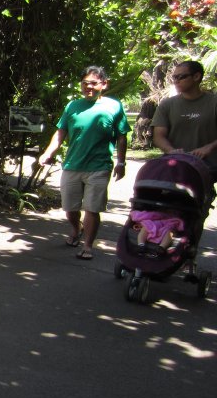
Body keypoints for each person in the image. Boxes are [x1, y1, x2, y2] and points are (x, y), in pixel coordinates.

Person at [38, 66, 130, 260]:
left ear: (104, 84)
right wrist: (48, 152)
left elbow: (122, 136)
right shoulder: (73, 106)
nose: (89, 87)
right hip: (72, 165)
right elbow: (61, 132)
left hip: (99, 167)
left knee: (92, 209)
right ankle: (76, 228)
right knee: (70, 209)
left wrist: (121, 163)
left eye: (94, 83)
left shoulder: (114, 106)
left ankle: (87, 246)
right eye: (85, 83)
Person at [151, 59, 217, 181]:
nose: (176, 81)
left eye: (180, 77)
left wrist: (209, 147)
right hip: (175, 166)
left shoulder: (214, 102)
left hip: (209, 168)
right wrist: (172, 151)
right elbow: (158, 136)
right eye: (174, 77)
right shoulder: (167, 104)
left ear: (196, 77)